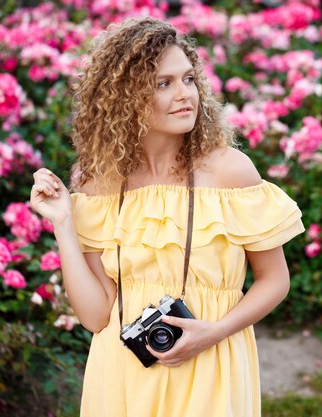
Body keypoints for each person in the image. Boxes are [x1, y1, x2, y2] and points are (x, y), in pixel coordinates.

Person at [30, 17, 304, 417]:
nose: (184, 94)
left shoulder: (230, 171)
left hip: (210, 367)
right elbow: (95, 315)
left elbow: (275, 280)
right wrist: (64, 225)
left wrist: (213, 333)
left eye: (189, 79)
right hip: (122, 372)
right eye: (164, 83)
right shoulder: (97, 184)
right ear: (126, 97)